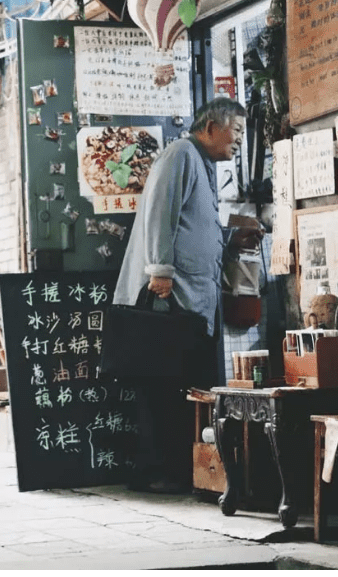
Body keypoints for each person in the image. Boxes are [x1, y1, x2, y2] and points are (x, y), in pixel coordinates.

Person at [113, 97, 263, 494]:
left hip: (193, 302)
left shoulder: (204, 164)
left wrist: (231, 238)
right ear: (211, 127)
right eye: (236, 132)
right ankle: (158, 472)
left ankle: (183, 471)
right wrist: (159, 271)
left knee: (183, 390)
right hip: (169, 298)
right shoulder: (181, 153)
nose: (239, 142)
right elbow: (160, 212)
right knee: (164, 390)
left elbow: (195, 227)